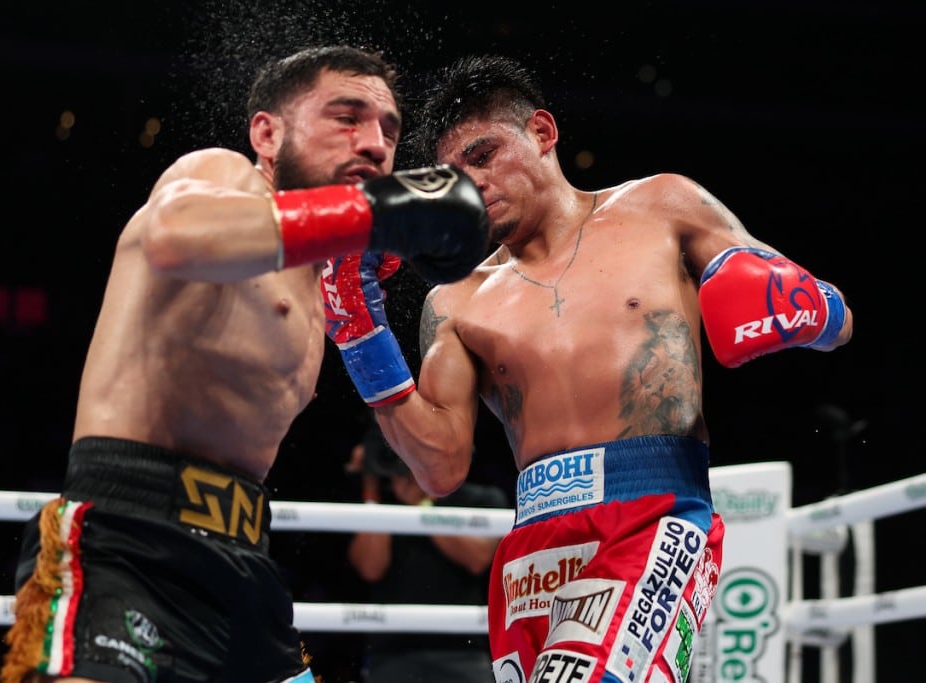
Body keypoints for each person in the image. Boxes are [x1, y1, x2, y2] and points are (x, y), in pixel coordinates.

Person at [321, 55, 853, 683]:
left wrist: (805, 308)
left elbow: (837, 319)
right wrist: (361, 336)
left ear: (542, 132)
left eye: (485, 155)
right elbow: (439, 468)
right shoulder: (455, 300)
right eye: (457, 177)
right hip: (531, 550)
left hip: (654, 514)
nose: (474, 186)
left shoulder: (661, 206)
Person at [0, 45, 488, 683]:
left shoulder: (322, 280)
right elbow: (174, 235)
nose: (375, 144)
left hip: (244, 562)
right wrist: (369, 214)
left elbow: (440, 470)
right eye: (347, 117)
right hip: (131, 539)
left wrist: (362, 322)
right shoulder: (222, 177)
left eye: (389, 132)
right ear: (267, 134)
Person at [346, 414, 507, 683]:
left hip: (463, 648)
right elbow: (370, 568)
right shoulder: (380, 506)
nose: (408, 464)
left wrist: (423, 505)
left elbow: (478, 560)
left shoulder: (481, 498)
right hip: (393, 652)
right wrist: (371, 489)